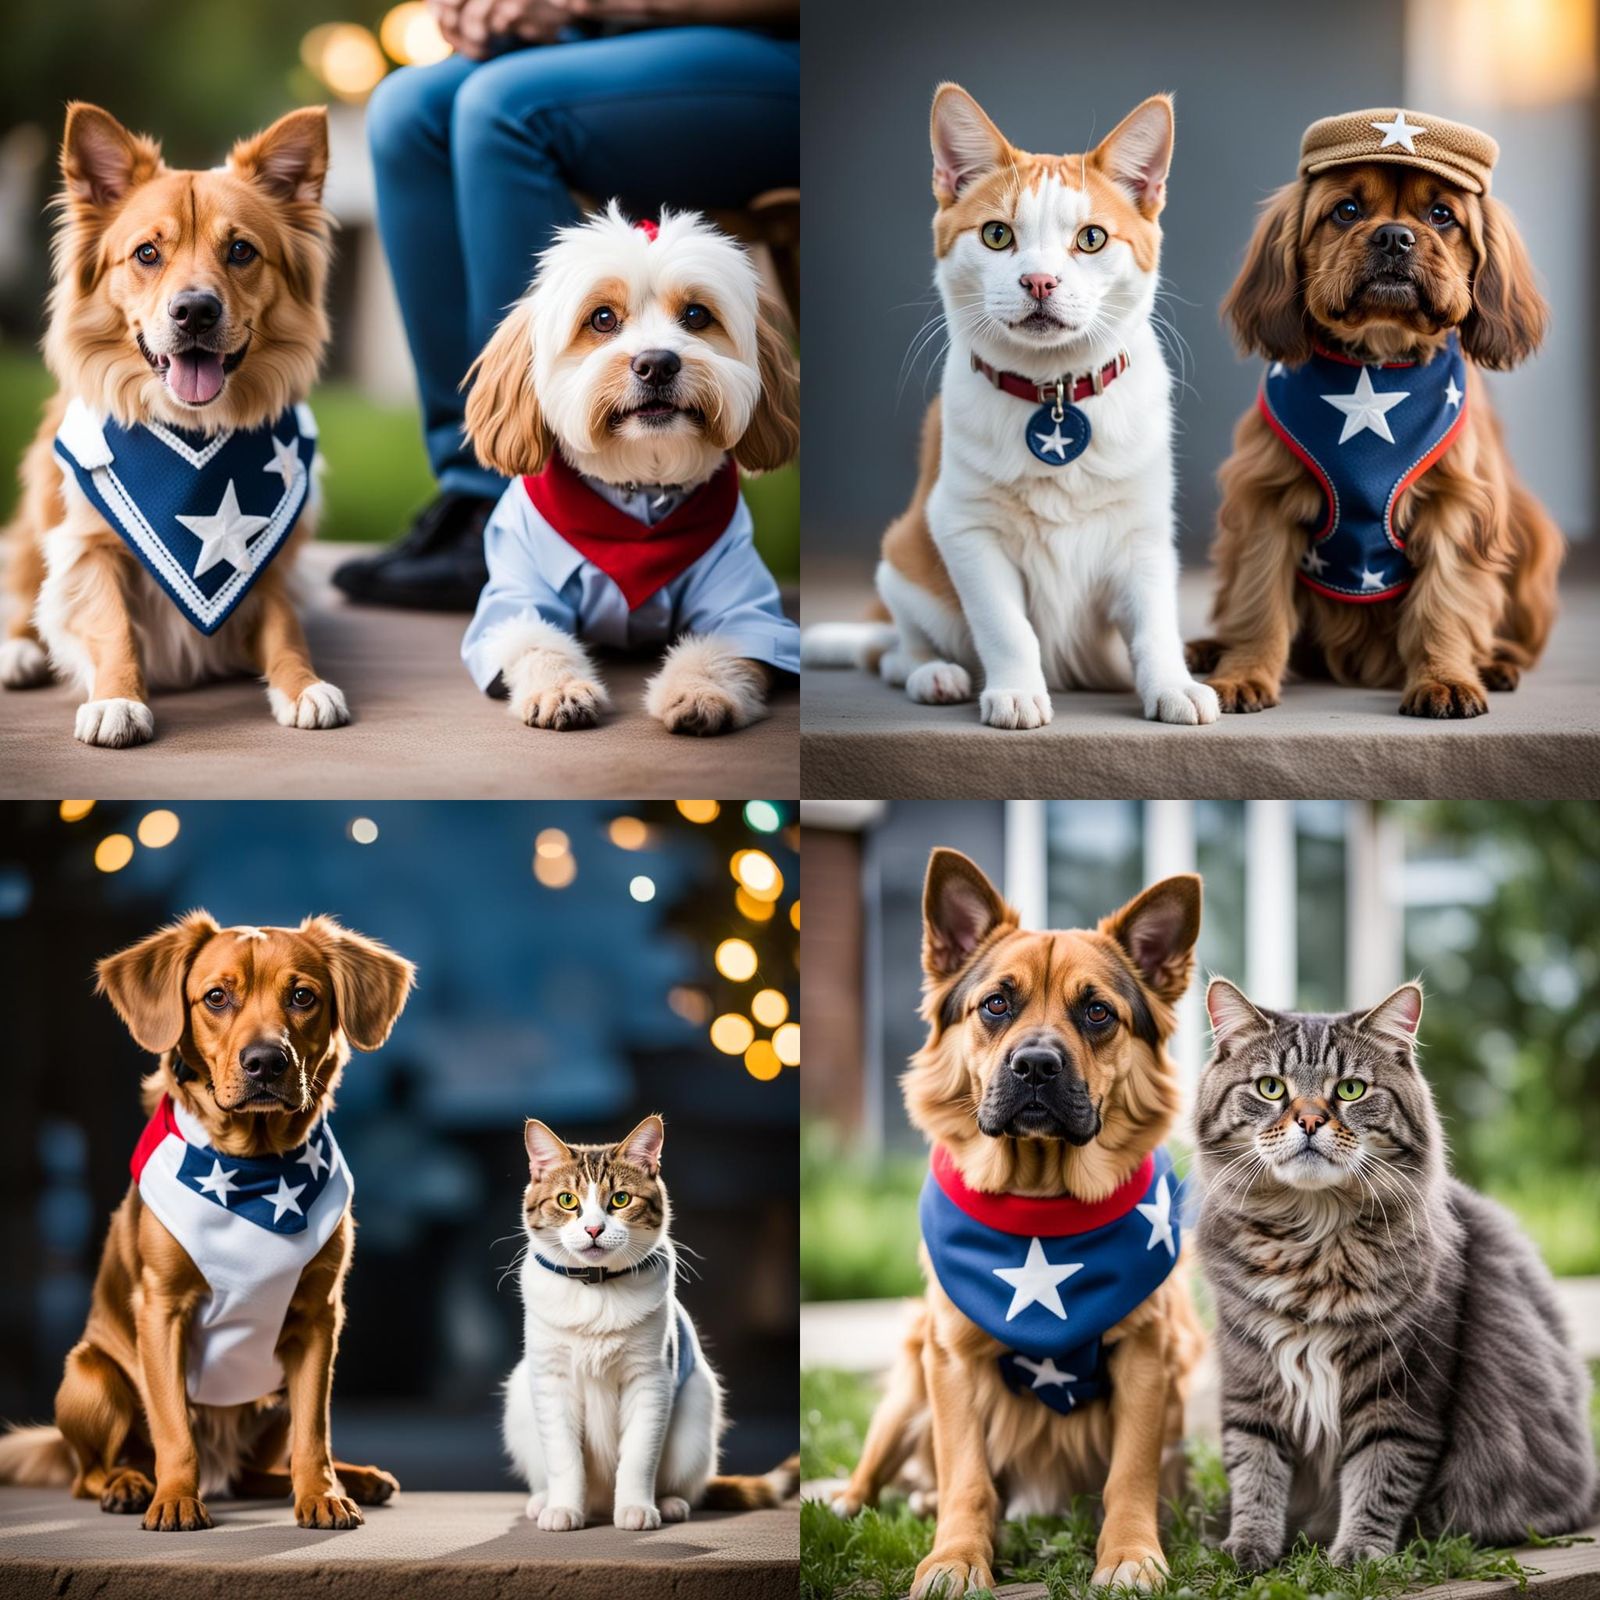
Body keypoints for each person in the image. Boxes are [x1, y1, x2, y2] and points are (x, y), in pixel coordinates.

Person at [335, 0, 799, 610]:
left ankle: (516, 498)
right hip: (600, 37)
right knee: (406, 108)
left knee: (505, 110)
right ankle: (474, 485)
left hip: (774, 41)